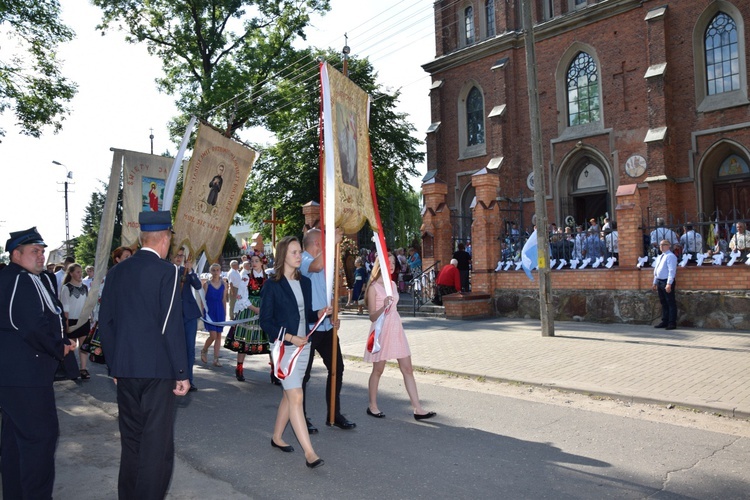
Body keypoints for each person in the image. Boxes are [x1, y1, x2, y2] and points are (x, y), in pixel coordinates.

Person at [98, 210, 190, 499]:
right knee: (156, 447)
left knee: (132, 441)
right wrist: (181, 373)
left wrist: (114, 366)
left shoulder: (116, 272)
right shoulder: (167, 272)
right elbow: (170, 325)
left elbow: (106, 322)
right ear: (164, 239)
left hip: (125, 370)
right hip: (157, 371)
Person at [0, 227, 77, 499]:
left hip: (14, 375)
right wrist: (60, 347)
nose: (41, 256)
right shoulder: (21, 280)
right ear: (16, 254)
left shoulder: (15, 277)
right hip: (26, 376)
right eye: (35, 251)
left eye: (43, 251)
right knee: (39, 441)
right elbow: (31, 326)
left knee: (14, 442)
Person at [259, 236, 329, 469]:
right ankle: (309, 453)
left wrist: (319, 313)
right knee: (296, 395)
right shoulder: (272, 285)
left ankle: (277, 437)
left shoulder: (305, 283)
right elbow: (265, 322)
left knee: (290, 395)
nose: (299, 256)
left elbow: (305, 316)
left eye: (300, 252)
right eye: (294, 252)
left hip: (304, 346)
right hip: (284, 348)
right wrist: (289, 337)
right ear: (283, 256)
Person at [364, 253, 436, 421]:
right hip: (381, 330)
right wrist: (383, 306)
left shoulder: (393, 285)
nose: (390, 264)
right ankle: (372, 405)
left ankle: (418, 409)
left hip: (396, 329)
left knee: (407, 369)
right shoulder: (374, 287)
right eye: (387, 261)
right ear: (379, 263)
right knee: (378, 370)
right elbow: (372, 317)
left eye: (393, 262)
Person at [300, 228, 356, 432]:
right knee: (303, 375)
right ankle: (301, 418)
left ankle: (334, 413)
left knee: (337, 369)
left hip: (326, 326)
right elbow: (315, 266)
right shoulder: (304, 260)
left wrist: (334, 315)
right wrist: (332, 243)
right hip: (309, 327)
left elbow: (328, 292)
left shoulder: (325, 264)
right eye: (322, 242)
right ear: (316, 243)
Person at [227, 254, 272, 383]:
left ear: (262, 263)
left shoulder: (268, 278)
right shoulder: (246, 277)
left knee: (270, 341)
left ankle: (274, 371)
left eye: (256, 261)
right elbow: (242, 296)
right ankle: (239, 368)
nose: (254, 263)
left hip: (265, 309)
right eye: (252, 261)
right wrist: (255, 309)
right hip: (250, 310)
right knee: (244, 341)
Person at [172, 247, 202, 392]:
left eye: (181, 256)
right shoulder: (167, 270)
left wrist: (190, 271)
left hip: (189, 315)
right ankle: (174, 378)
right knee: (174, 348)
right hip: (174, 316)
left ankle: (189, 379)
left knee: (189, 349)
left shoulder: (186, 270)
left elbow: (198, 285)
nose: (179, 258)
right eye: (177, 255)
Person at [60, 263, 91, 379]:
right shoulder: (66, 287)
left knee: (83, 347)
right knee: (71, 347)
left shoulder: (84, 287)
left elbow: (87, 303)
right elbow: (65, 307)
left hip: (83, 320)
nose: (80, 274)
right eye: (77, 272)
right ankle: (72, 370)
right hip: (71, 321)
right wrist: (66, 324)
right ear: (71, 273)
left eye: (81, 271)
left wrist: (90, 316)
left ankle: (83, 369)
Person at [201, 263, 227, 367]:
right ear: (210, 271)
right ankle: (204, 350)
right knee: (213, 335)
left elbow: (224, 299)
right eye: (213, 270)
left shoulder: (224, 284)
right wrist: (203, 312)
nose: (216, 272)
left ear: (220, 271)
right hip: (210, 311)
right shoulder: (207, 284)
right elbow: (203, 299)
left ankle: (216, 359)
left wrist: (224, 313)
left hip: (219, 310)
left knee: (219, 335)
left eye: (217, 270)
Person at [652, 240, 678, 330]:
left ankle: (672, 323)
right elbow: (656, 270)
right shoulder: (660, 256)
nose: (661, 246)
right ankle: (665, 321)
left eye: (664, 245)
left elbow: (671, 271)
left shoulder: (670, 256)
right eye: (660, 245)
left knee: (670, 302)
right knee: (663, 302)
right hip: (659, 281)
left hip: (666, 281)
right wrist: (655, 282)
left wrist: (669, 283)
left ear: (669, 246)